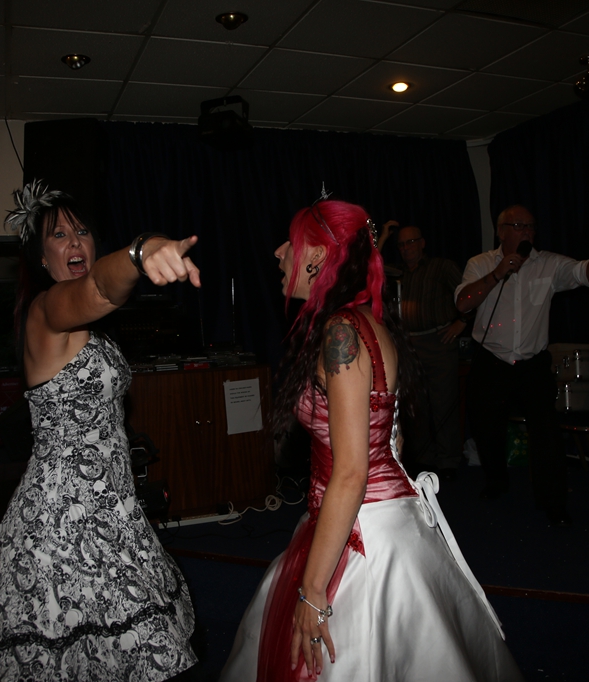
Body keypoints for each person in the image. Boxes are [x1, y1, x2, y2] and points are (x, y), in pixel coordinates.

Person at [220, 199, 523, 682]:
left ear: (318, 255)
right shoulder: (366, 321)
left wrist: (313, 592)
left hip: (365, 524)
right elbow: (392, 440)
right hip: (377, 515)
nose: (278, 252)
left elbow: (351, 472)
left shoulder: (342, 332)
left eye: (290, 243)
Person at [0, 181, 200, 682]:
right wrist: (143, 251)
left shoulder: (89, 328)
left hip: (113, 503)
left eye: (82, 231)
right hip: (65, 516)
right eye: (59, 235)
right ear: (41, 258)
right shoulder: (47, 310)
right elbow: (101, 288)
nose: (75, 242)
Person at [455, 204, 589, 526]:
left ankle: (553, 502)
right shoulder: (480, 263)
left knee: (546, 431)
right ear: (501, 231)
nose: (526, 232)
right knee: (486, 426)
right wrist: (498, 273)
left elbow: (581, 272)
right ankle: (496, 480)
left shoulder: (548, 263)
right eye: (518, 225)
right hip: (491, 359)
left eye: (530, 226)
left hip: (532, 363)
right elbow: (463, 303)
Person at [378, 222, 467, 478]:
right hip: (408, 345)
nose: (406, 248)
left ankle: (448, 460)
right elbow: (369, 267)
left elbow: (469, 294)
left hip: (438, 342)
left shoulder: (441, 267)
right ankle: (424, 460)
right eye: (401, 244)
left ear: (422, 243)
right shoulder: (398, 273)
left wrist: (462, 322)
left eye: (411, 242)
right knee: (415, 406)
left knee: (443, 402)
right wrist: (383, 238)